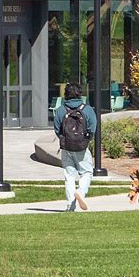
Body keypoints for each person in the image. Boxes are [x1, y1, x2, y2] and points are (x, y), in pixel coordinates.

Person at [52, 81, 100, 212]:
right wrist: (85, 140)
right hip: (82, 146)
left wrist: (64, 138)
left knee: (69, 176)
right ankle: (81, 192)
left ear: (65, 94)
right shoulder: (87, 109)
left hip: (66, 146)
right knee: (87, 172)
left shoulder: (61, 110)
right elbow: (92, 128)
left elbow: (57, 129)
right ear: (79, 94)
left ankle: (70, 205)